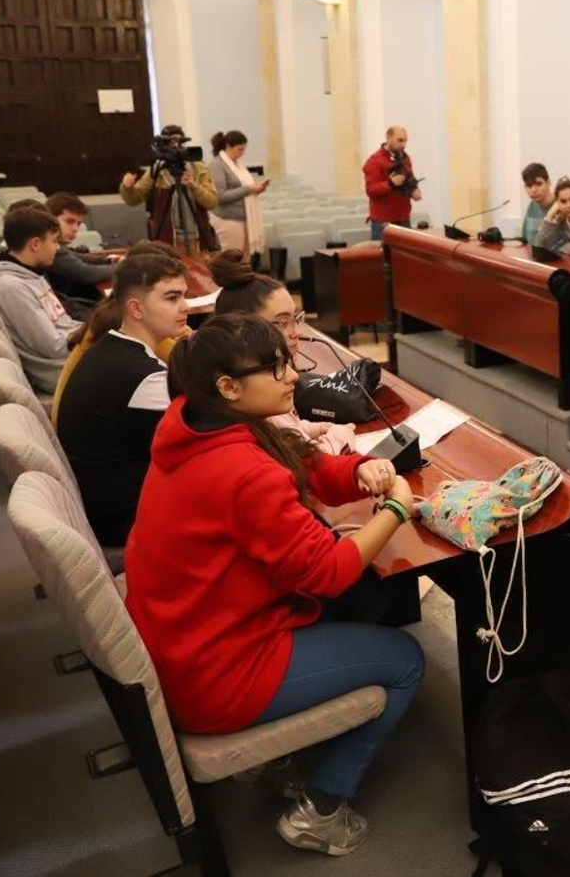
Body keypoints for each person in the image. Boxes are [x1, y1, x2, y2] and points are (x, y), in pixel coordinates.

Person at [125, 314, 423, 855]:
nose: (291, 376)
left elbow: (302, 467)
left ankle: (296, 752)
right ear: (229, 387)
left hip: (187, 641)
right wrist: (397, 508)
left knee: (366, 601)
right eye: (275, 366)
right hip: (217, 673)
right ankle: (321, 809)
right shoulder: (241, 472)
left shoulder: (196, 424)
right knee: (404, 659)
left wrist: (357, 470)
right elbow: (329, 573)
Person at [56, 253, 189, 546]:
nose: (185, 307)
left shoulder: (108, 347)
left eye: (184, 296)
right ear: (135, 308)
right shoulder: (144, 377)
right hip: (126, 523)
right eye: (171, 298)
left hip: (102, 507)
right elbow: (195, 453)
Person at [209, 249, 356, 453]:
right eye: (282, 322)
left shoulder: (265, 376)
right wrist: (340, 438)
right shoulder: (257, 392)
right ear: (245, 327)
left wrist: (315, 428)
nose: (297, 331)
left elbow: (287, 429)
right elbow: (309, 464)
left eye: (295, 319)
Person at [0, 206, 81, 394]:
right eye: (54, 241)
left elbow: (64, 324)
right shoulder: (10, 288)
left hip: (72, 359)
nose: (58, 248)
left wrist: (97, 329)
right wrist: (94, 334)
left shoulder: (32, 275)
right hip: (61, 372)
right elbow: (54, 346)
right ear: (35, 244)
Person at [121, 125, 220, 255]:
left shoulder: (199, 168)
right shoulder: (157, 171)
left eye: (180, 142)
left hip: (197, 238)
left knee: (199, 273)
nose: (176, 146)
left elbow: (212, 202)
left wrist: (194, 186)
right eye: (172, 142)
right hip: (167, 241)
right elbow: (133, 200)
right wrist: (127, 187)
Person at [45, 192, 116, 317]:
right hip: (66, 311)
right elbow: (87, 273)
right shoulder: (49, 247)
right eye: (69, 222)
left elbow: (77, 257)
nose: (75, 229)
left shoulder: (59, 246)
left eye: (78, 224)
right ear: (50, 219)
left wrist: (108, 260)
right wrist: (124, 267)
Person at [206, 129, 270, 256]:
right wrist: (249, 189)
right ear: (228, 146)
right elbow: (220, 196)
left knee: (244, 260)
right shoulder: (217, 164)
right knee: (233, 260)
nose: (242, 153)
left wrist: (258, 189)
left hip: (244, 217)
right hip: (228, 218)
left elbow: (244, 189)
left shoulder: (238, 164)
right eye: (240, 149)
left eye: (244, 149)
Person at [362, 126, 421, 239]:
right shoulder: (375, 160)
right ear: (388, 138)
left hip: (404, 219)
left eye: (405, 141)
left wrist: (415, 190)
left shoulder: (405, 158)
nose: (403, 145)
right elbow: (370, 190)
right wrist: (390, 183)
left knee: (405, 256)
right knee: (385, 256)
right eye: (400, 140)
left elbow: (410, 179)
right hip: (384, 222)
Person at [520, 163, 551, 244]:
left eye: (538, 184)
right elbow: (524, 239)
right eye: (529, 185)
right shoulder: (532, 205)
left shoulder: (562, 205)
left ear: (548, 183)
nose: (534, 190)